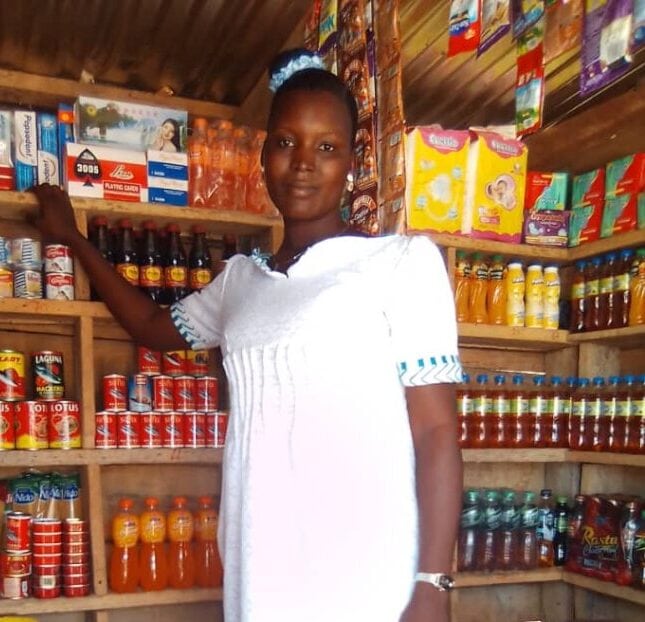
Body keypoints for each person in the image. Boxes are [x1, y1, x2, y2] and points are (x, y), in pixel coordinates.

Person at [29, 48, 463, 622]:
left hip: (365, 571)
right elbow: (152, 327)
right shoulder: (240, 282)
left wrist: (432, 584)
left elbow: (435, 431)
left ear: (352, 163)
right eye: (286, 142)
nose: (304, 163)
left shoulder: (401, 263)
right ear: (263, 157)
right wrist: (76, 242)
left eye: (327, 147)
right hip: (261, 565)